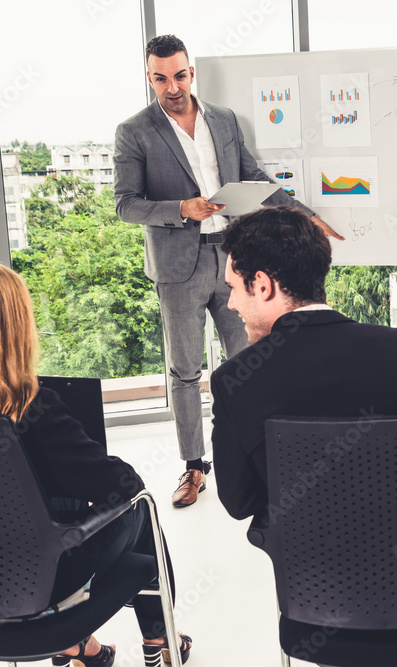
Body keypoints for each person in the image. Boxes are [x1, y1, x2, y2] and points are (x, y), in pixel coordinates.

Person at [0, 262, 193, 667]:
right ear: (15, 325)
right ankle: (160, 639)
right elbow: (122, 485)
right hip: (30, 586)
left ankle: (82, 648)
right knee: (141, 509)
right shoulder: (29, 404)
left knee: (44, 508)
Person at [114, 34, 345, 508]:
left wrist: (304, 214)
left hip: (235, 258)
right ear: (149, 77)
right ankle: (194, 467)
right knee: (184, 370)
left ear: (191, 72)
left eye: (179, 75)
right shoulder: (133, 131)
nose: (172, 86)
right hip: (178, 265)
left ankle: (256, 456)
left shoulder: (223, 120)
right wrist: (182, 208)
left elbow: (256, 180)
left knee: (249, 362)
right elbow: (126, 205)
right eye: (161, 78)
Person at [209, 206, 397, 520]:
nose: (231, 304)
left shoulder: (234, 381)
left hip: (315, 565)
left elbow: (240, 503)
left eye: (232, 288)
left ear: (262, 285)